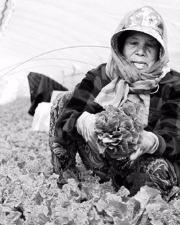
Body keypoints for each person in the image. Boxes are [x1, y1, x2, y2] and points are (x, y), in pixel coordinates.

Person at [49, 6, 180, 199]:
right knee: (63, 100)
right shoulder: (103, 75)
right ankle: (66, 181)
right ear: (121, 47)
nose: (141, 52)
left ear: (159, 52)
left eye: (150, 46)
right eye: (133, 43)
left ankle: (139, 196)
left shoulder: (173, 84)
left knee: (158, 171)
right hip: (101, 158)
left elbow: (175, 136)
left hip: (140, 163)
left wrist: (151, 142)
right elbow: (68, 115)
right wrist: (84, 122)